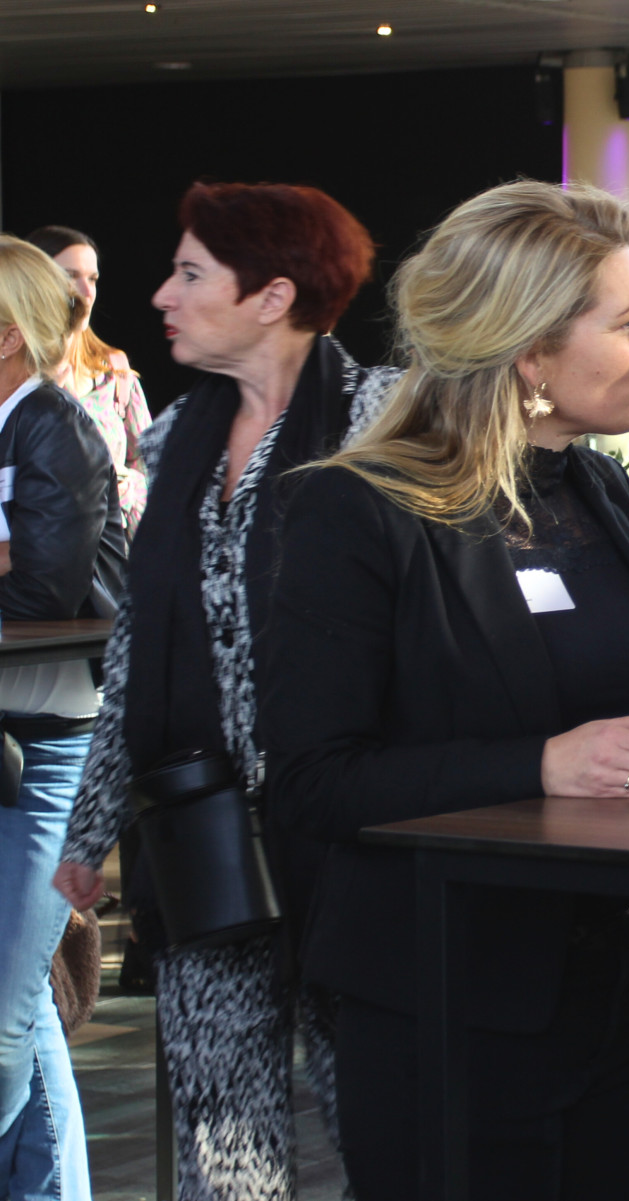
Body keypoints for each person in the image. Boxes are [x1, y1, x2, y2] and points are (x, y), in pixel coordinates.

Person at [256, 181, 629, 1201]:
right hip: (447, 998)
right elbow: (311, 781)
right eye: (626, 316)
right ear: (527, 353)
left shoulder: (594, 486)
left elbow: (577, 705)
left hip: (609, 987)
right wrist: (544, 764)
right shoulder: (355, 510)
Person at [51, 182, 388, 1201]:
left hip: (349, 834)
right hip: (203, 835)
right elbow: (144, 646)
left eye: (191, 273)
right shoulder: (175, 441)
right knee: (223, 1140)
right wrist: (88, 829)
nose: (161, 294)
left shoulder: (380, 422)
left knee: (378, 1119)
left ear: (273, 295)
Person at [0, 234, 122, 1201]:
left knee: (7, 1010)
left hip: (46, 750)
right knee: (27, 1003)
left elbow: (44, 584)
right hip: (15, 738)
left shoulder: (51, 424)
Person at [28, 226, 153, 532]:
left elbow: (155, 472)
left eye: (93, 279)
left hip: (111, 563)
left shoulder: (114, 378)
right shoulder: (13, 377)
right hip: (36, 561)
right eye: (70, 276)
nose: (86, 292)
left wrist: (128, 487)